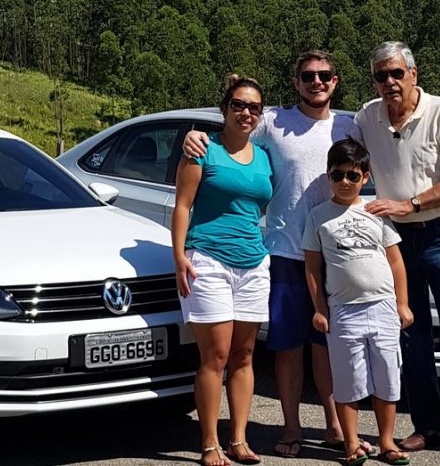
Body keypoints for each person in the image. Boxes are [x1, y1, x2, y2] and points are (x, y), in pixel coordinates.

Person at [184, 51, 358, 458]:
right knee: (288, 347)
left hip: (336, 253)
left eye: (324, 75)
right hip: (284, 252)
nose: (316, 82)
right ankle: (291, 427)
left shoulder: (350, 125)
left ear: (335, 81)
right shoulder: (273, 121)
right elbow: (231, 130)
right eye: (307, 76)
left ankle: (335, 426)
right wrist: (193, 135)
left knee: (330, 345)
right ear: (296, 82)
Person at [353, 41, 440, 461]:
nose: (390, 82)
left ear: (414, 74)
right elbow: (335, 148)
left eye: (397, 73)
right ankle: (428, 426)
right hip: (397, 238)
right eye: (381, 75)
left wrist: (410, 204)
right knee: (410, 332)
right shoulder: (367, 117)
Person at [173, 75, 273, 466]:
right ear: (225, 109)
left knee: (244, 356)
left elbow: (259, 206)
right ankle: (210, 443)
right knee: (215, 355)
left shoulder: (264, 157)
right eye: (238, 105)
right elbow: (183, 205)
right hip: (208, 262)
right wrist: (179, 256)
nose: (246, 113)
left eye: (253, 108)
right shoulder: (202, 150)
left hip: (253, 263)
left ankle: (239, 439)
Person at [303, 139, 413, 466]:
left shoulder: (376, 212)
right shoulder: (318, 217)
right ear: (328, 176)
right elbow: (312, 267)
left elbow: (395, 261)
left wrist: (402, 303)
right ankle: (351, 443)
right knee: (348, 381)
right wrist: (320, 309)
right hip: (343, 311)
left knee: (387, 377)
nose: (345, 182)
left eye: (352, 176)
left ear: (365, 177)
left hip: (383, 306)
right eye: (337, 175)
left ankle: (386, 441)